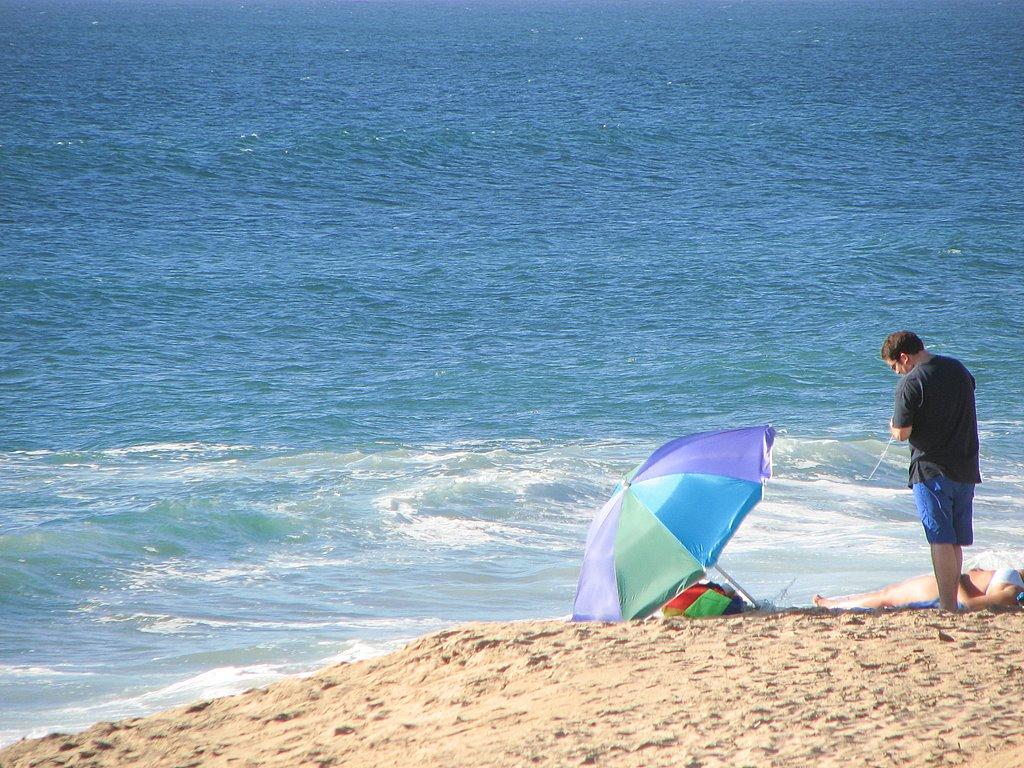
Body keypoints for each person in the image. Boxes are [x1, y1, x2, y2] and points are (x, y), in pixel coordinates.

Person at [880, 331, 981, 612]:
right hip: (966, 465)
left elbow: (901, 433)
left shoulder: (910, 383)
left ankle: (948, 606)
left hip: (931, 468)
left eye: (895, 367)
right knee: (956, 540)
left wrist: (892, 425)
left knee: (940, 538)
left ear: (904, 357)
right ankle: (952, 603)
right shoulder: (958, 369)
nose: (897, 373)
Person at [812, 567, 1024, 611]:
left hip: (959, 585)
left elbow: (969, 603)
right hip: (962, 582)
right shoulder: (1013, 589)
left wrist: (956, 578)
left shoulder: (1013, 590)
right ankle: (831, 603)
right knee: (888, 595)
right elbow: (970, 602)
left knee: (889, 595)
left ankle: (831, 603)